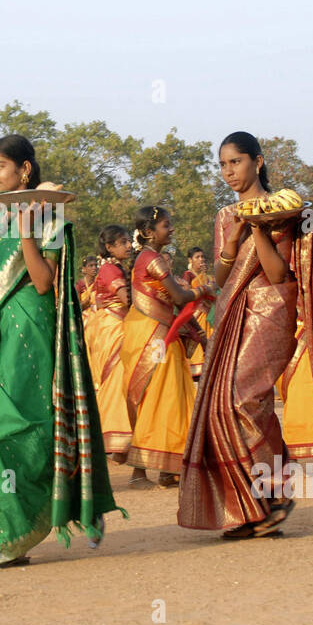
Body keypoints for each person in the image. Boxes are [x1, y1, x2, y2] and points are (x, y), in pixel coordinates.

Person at [0, 134, 121, 568]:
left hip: (31, 335)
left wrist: (26, 233)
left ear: (24, 170)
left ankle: (24, 525)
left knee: (27, 427)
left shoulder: (49, 216)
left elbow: (45, 282)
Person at [179, 133, 313, 538]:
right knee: (221, 405)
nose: (229, 172)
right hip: (234, 311)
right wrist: (232, 239)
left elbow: (280, 273)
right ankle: (248, 507)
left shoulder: (284, 208)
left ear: (258, 162)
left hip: (274, 309)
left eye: (236, 162)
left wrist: (259, 228)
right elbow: (222, 277)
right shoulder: (225, 215)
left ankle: (271, 498)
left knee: (246, 399)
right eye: (224, 164)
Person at [118, 206, 207, 488]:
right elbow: (180, 296)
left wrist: (198, 332)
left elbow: (174, 301)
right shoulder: (151, 259)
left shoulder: (150, 258)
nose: (172, 230)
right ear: (148, 233)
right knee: (157, 397)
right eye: (166, 226)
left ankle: (168, 468)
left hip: (157, 333)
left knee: (169, 397)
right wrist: (202, 291)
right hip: (152, 336)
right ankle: (139, 472)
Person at [85, 225, 133, 456]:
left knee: (120, 382)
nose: (129, 246)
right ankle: (115, 439)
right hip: (112, 328)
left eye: (128, 241)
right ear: (109, 247)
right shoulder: (111, 271)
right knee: (115, 381)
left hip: (114, 325)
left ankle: (118, 440)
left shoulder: (116, 268)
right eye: (123, 242)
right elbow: (126, 299)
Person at [184, 247, 213, 379]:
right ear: (190, 260)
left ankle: (210, 367)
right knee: (199, 338)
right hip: (196, 314)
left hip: (208, 313)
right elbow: (186, 294)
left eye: (202, 257)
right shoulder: (188, 275)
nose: (201, 259)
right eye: (197, 257)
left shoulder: (207, 275)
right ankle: (196, 370)